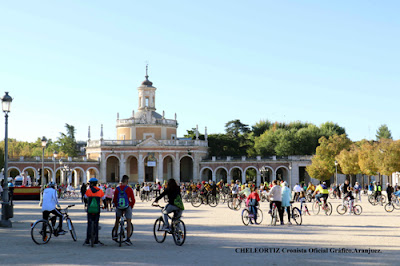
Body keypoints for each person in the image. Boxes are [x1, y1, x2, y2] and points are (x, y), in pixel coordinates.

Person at [113, 175, 135, 245]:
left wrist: (116, 205)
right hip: (127, 206)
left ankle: (115, 234)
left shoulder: (117, 189)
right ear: (127, 181)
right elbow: (133, 199)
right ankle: (128, 238)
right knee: (128, 222)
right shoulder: (129, 189)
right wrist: (131, 206)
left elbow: (114, 199)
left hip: (119, 206)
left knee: (117, 220)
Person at [84, 178, 104, 246]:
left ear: (91, 184)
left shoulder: (88, 190)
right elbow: (103, 198)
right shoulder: (100, 190)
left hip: (90, 209)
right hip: (97, 209)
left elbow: (85, 197)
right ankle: (96, 239)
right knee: (96, 223)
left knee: (89, 223)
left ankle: (87, 239)